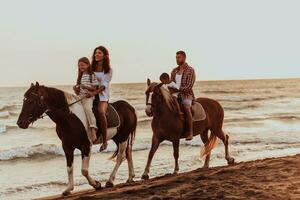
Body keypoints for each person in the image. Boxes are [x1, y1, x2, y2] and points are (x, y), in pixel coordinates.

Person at [88, 46, 113, 152]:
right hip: (90, 95)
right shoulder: (91, 68)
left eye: (99, 53)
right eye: (95, 53)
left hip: (102, 97)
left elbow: (104, 85)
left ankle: (104, 141)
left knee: (100, 112)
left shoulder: (108, 70)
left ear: (104, 56)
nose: (96, 55)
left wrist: (94, 92)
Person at [169, 51, 195, 140]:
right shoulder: (174, 70)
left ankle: (190, 132)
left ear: (184, 58)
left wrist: (177, 90)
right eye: (176, 58)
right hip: (174, 94)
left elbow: (189, 86)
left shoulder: (190, 70)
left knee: (186, 107)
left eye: (179, 57)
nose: (177, 59)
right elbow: (171, 82)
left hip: (186, 94)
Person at [74, 57, 98, 143]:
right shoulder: (80, 76)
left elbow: (94, 88)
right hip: (80, 96)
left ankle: (93, 129)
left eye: (82, 65)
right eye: (79, 66)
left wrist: (85, 87)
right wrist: (76, 89)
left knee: (88, 109)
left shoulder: (92, 75)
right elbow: (78, 91)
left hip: (88, 96)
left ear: (88, 65)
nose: (81, 67)